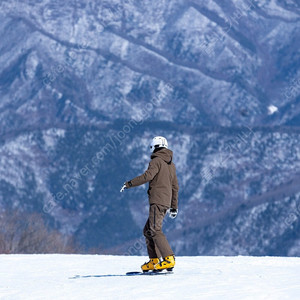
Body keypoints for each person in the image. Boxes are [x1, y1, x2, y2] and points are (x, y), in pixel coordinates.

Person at [120, 136, 179, 272]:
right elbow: (175, 186)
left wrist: (129, 183)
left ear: (154, 147)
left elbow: (147, 176)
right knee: (147, 231)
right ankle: (154, 260)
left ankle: (168, 259)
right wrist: (174, 206)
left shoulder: (156, 161)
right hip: (165, 202)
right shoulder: (171, 165)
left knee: (155, 230)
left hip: (157, 201)